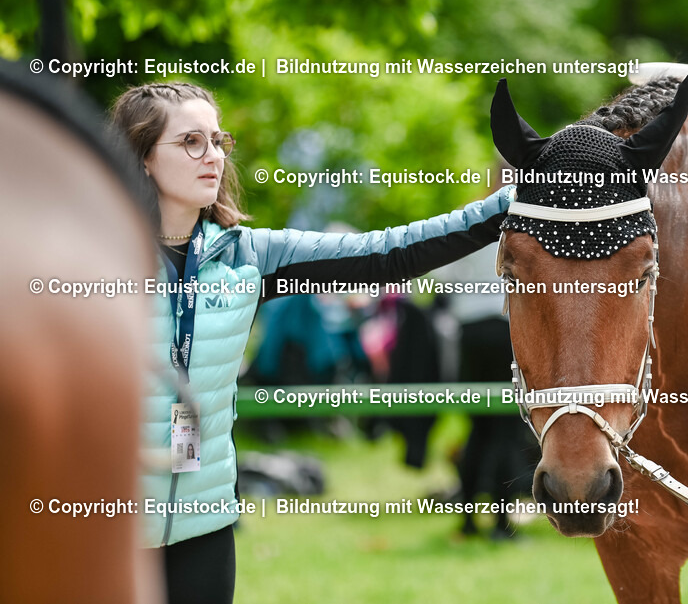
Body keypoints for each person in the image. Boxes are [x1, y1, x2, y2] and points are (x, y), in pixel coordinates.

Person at [111, 81, 514, 604]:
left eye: (217, 141)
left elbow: (386, 253)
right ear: (141, 158)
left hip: (202, 526)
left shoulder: (249, 256)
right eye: (190, 142)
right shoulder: (92, 257)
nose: (212, 156)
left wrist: (510, 202)